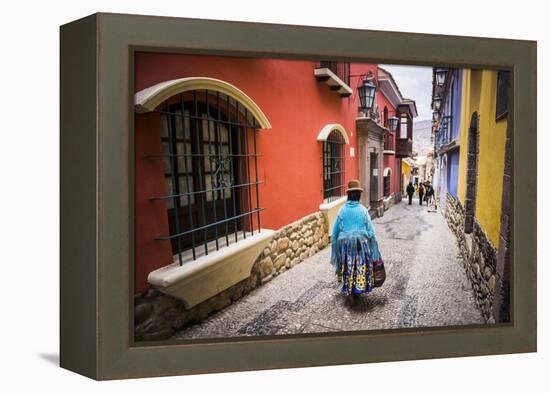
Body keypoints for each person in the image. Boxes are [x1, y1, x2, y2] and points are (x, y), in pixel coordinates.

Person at [330, 179, 385, 303]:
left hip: (345, 246)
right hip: (361, 245)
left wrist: (335, 249)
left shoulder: (342, 211)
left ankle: (349, 287)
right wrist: (375, 248)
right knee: (360, 266)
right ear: (359, 195)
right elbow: (371, 231)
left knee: (349, 265)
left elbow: (335, 232)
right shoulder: (363, 211)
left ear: (348, 195)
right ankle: (358, 288)